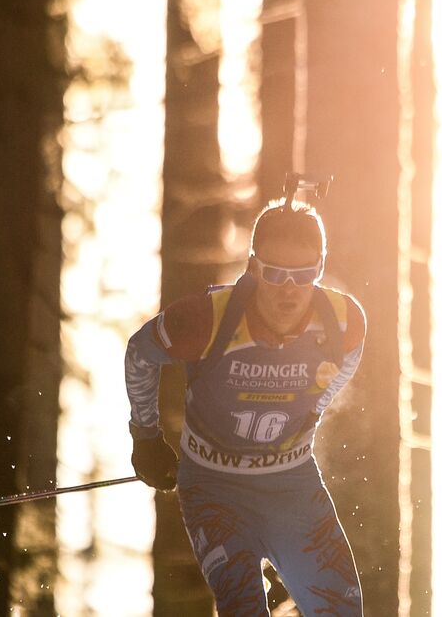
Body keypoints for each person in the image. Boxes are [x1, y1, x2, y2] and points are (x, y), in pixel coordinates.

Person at [124, 196, 365, 615]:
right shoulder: (207, 319)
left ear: (320, 268)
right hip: (214, 488)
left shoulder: (344, 321)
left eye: (303, 274)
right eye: (275, 274)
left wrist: (311, 413)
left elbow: (344, 365)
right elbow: (141, 352)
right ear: (253, 267)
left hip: (292, 484)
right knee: (243, 607)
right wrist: (145, 436)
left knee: (342, 609)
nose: (289, 291)